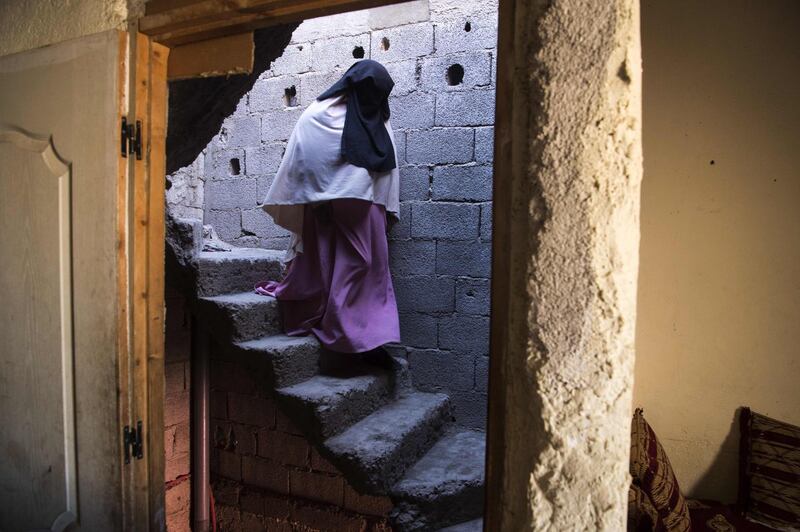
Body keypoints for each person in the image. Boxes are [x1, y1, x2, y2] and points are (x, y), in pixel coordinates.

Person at [255, 59, 401, 356]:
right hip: (326, 208)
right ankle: (346, 337)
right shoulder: (319, 114)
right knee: (334, 270)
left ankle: (365, 337)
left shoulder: (376, 118)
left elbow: (387, 168)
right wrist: (317, 196)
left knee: (364, 269)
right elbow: (305, 156)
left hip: (365, 209)